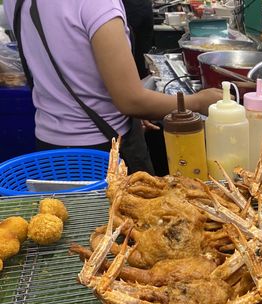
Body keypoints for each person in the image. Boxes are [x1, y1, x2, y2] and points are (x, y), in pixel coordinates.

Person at [3, 0, 223, 174]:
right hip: (105, 153)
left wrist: (141, 102)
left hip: (50, 149)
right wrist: (198, 102)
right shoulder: (96, 4)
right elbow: (130, 101)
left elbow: (70, 69)